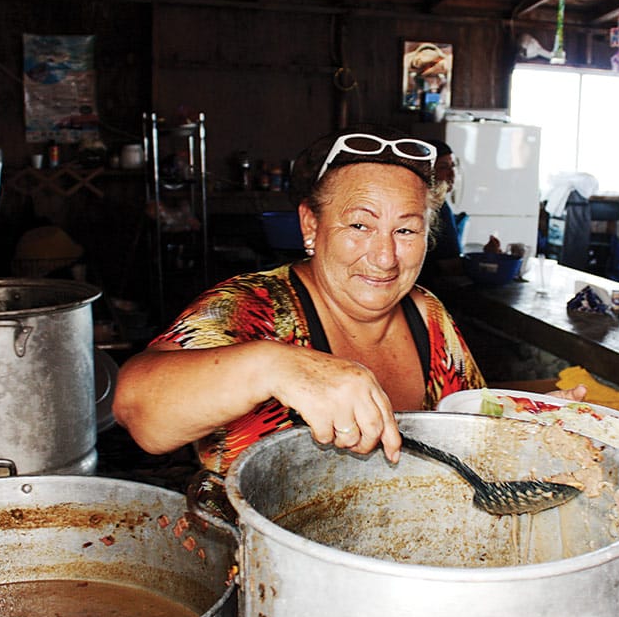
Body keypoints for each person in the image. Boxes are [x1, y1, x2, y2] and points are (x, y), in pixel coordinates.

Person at [113, 124, 583, 474]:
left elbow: (466, 439)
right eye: (360, 225)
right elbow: (138, 412)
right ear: (311, 226)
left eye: (406, 230)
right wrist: (275, 366)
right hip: (267, 577)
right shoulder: (253, 305)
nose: (384, 257)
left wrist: (526, 432)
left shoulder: (429, 316)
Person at [418, 138, 464, 285]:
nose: (452, 174)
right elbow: (452, 266)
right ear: (427, 172)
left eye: (453, 166)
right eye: (444, 167)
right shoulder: (438, 207)